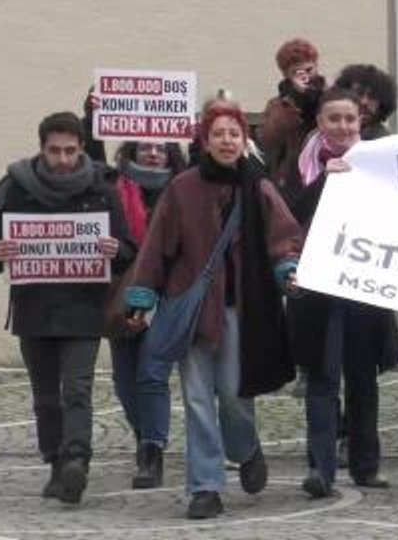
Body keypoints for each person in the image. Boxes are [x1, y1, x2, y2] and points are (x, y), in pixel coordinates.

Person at [122, 102, 303, 519]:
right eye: (218, 134)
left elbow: (284, 236)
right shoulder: (182, 188)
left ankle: (245, 448)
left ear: (244, 141)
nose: (226, 141)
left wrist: (287, 269)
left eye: (234, 134)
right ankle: (205, 486)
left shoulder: (258, 187)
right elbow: (156, 248)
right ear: (206, 140)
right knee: (198, 399)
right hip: (192, 310)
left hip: (243, 308)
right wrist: (142, 296)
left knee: (235, 395)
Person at [0, 112, 136, 504]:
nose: (64, 159)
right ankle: (55, 462)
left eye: (70, 150)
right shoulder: (17, 188)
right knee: (45, 398)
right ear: (42, 149)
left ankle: (77, 461)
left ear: (82, 148)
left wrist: (116, 250)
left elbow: (127, 250)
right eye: (55, 151)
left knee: (78, 390)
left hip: (83, 309)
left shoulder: (102, 190)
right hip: (34, 310)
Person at [290, 88, 398, 498]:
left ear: (362, 123)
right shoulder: (302, 165)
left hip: (363, 289)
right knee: (322, 379)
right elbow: (290, 214)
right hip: (318, 292)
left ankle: (365, 465)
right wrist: (326, 180)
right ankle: (320, 468)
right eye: (334, 119)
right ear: (320, 123)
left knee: (362, 379)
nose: (343, 126)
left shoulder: (378, 164)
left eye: (350, 119)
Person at [106, 141, 187, 490]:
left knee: (152, 374)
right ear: (130, 152)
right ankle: (144, 437)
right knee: (125, 381)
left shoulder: (183, 190)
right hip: (122, 296)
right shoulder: (112, 190)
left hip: (168, 296)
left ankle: (151, 453)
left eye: (161, 148)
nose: (153, 154)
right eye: (144, 148)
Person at [261, 38, 327, 186]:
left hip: (325, 168)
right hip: (292, 178)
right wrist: (295, 100)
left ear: (316, 66)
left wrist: (314, 96)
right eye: (297, 72)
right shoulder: (278, 104)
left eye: (309, 70)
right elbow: (269, 139)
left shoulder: (330, 97)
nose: (306, 77)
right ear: (286, 75)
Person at [333, 64, 398, 140]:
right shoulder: (323, 138)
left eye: (372, 96)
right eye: (358, 93)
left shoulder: (385, 143)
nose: (364, 102)